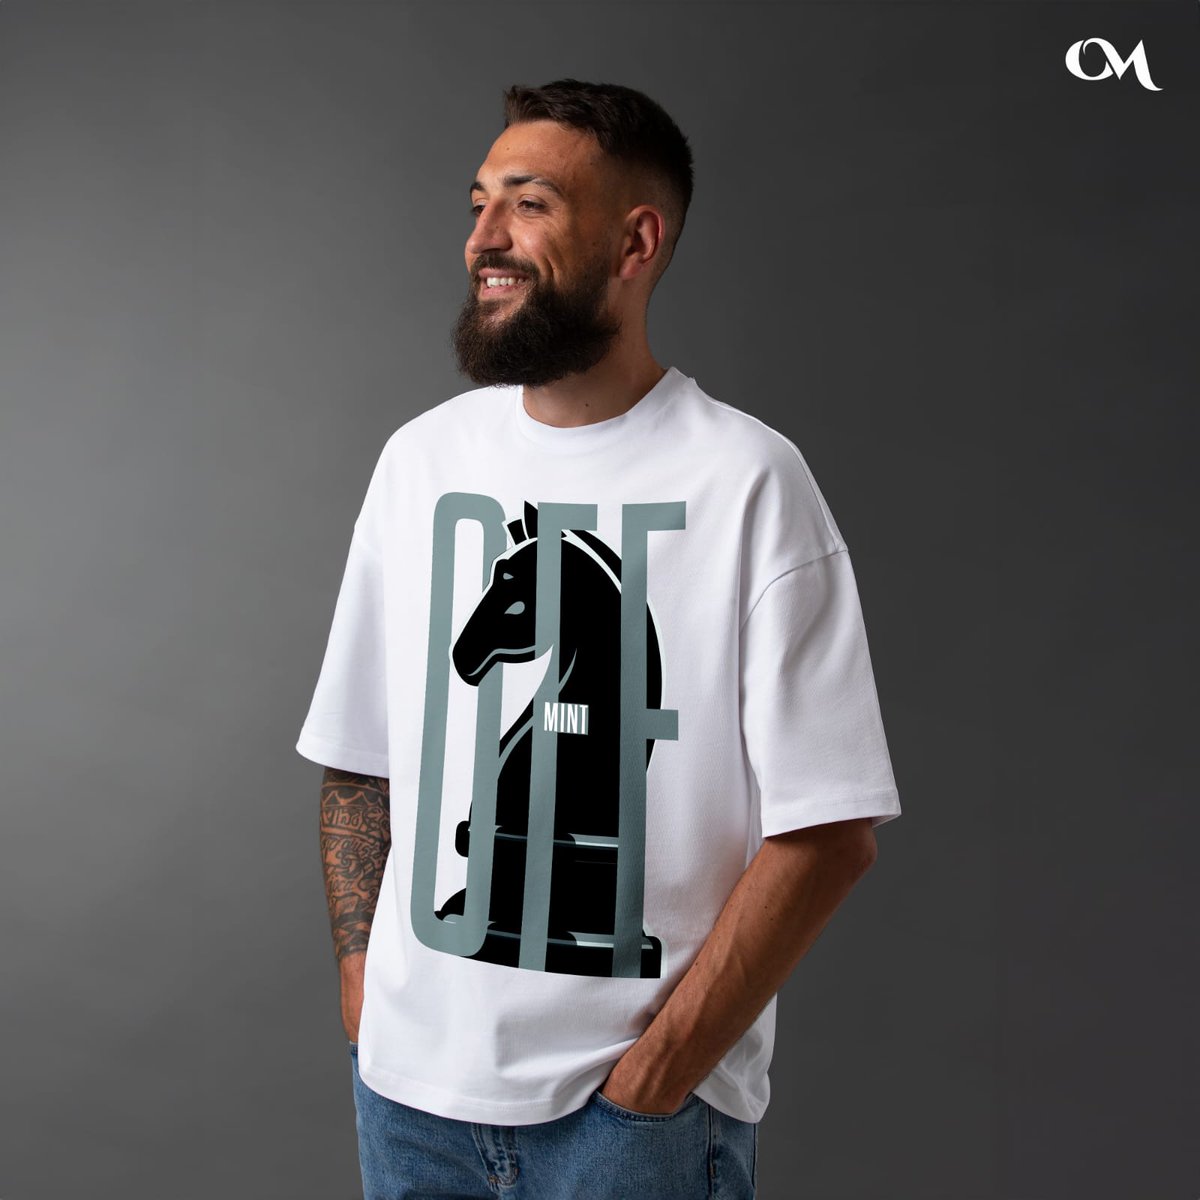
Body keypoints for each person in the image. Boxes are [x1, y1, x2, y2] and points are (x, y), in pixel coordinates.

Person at [297, 78, 902, 1200]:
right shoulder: (419, 462)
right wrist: (364, 984)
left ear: (636, 242)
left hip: (630, 1129)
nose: (483, 238)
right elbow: (358, 757)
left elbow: (831, 830)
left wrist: (660, 1076)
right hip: (408, 1104)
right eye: (478, 203)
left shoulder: (749, 482)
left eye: (527, 204)